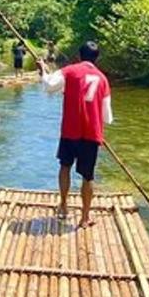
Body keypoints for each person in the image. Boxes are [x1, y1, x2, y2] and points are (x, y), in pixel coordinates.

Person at [37, 40, 112, 228]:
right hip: (91, 134)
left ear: (79, 56)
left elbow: (48, 86)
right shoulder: (103, 79)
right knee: (88, 176)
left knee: (65, 166)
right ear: (97, 58)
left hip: (70, 131)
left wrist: (43, 70)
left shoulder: (70, 71)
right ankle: (85, 217)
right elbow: (107, 117)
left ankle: (63, 205)